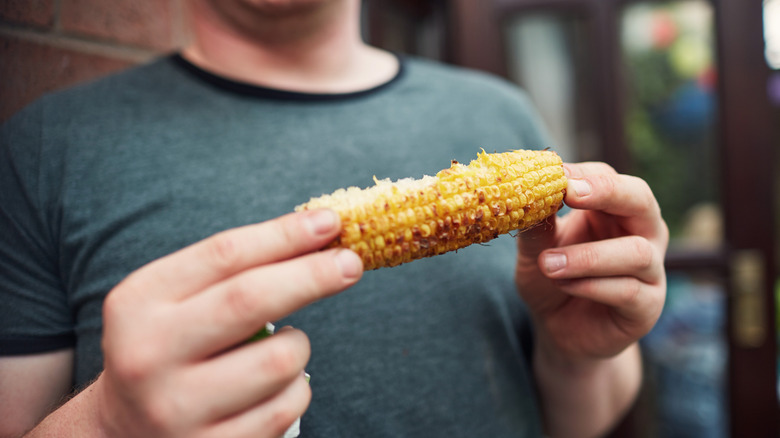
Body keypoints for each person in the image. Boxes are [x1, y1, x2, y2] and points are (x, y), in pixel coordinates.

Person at [0, 0, 668, 437]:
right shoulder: (44, 151)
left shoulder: (502, 114)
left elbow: (572, 420)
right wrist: (108, 424)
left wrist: (576, 360)